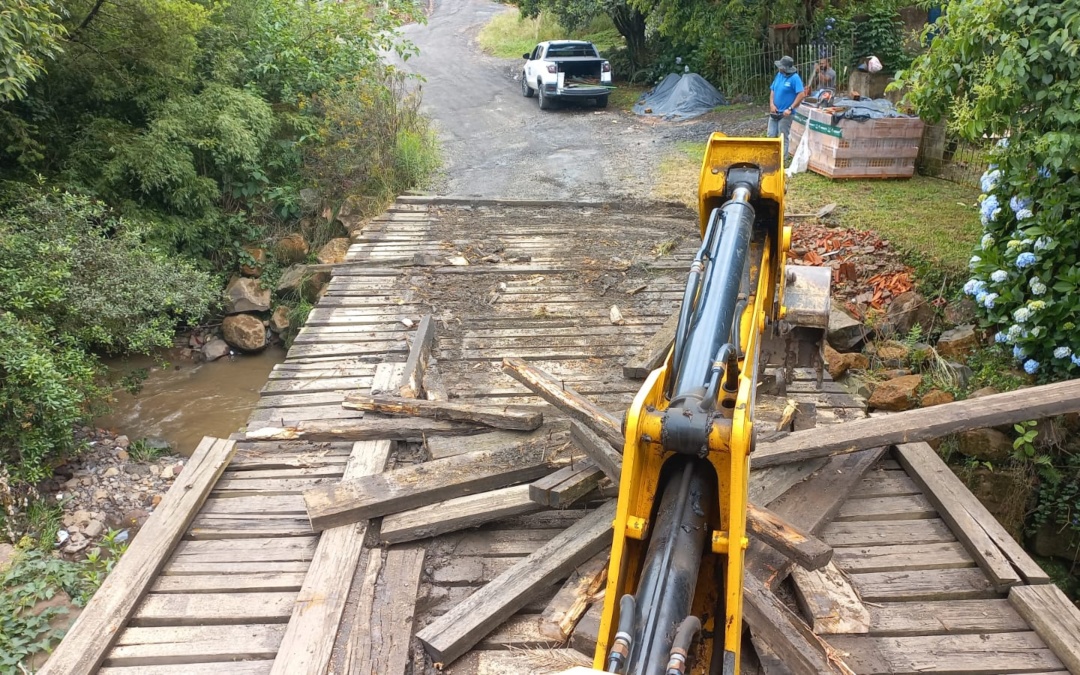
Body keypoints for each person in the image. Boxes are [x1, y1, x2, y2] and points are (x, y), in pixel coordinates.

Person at [768, 55, 806, 158]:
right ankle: (771, 158)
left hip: (786, 114)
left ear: (785, 68)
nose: (779, 68)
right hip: (774, 111)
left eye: (781, 67)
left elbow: (801, 94)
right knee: (771, 135)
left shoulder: (795, 78)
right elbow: (773, 90)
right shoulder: (779, 75)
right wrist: (771, 104)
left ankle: (782, 160)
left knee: (783, 137)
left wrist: (790, 108)